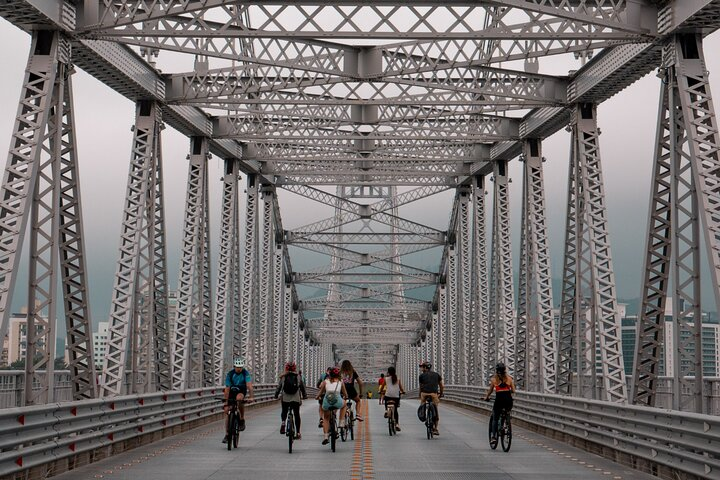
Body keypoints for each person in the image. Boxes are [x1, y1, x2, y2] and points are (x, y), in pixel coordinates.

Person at [222, 357, 254, 443]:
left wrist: (251, 396)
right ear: (234, 366)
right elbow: (227, 389)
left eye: (240, 367)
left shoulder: (245, 373)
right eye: (237, 367)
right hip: (232, 391)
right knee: (228, 413)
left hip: (241, 391)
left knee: (239, 399)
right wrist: (225, 403)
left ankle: (242, 418)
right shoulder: (230, 374)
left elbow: (249, 386)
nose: (239, 369)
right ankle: (227, 434)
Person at [483, 362, 515, 445]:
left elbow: (490, 391)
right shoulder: (509, 379)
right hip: (508, 401)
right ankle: (506, 422)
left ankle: (493, 436)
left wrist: (486, 397)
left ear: (496, 371)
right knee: (506, 412)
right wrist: (507, 391)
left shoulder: (494, 380)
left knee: (495, 418)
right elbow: (513, 391)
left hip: (499, 401)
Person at [315, 366, 348, 445]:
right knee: (344, 404)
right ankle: (341, 423)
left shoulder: (325, 381)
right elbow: (345, 394)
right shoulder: (341, 382)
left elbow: (321, 392)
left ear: (330, 374)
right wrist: (345, 397)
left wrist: (317, 397)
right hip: (337, 402)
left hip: (327, 402)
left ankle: (326, 436)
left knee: (326, 418)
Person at [274, 361, 307, 440]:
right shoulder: (298, 376)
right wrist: (305, 396)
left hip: (285, 397)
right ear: (295, 368)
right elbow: (302, 387)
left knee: (284, 411)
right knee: (296, 414)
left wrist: (276, 395)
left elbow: (279, 387)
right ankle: (298, 432)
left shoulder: (283, 377)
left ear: (286, 368)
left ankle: (283, 423)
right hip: (295, 398)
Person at [418, 361, 443, 436]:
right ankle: (435, 428)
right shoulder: (437, 375)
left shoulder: (421, 376)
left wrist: (420, 395)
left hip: (424, 394)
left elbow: (421, 387)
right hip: (433, 394)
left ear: (425, 368)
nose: (422, 369)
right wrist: (441, 394)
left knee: (422, 405)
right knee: (435, 409)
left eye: (422, 367)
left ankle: (423, 415)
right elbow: (442, 386)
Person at [383, 366, 405, 431]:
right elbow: (401, 388)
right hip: (396, 397)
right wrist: (403, 391)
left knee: (386, 398)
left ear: (388, 372)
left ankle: (386, 410)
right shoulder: (398, 379)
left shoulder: (386, 379)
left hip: (388, 396)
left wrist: (380, 391)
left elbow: (382, 387)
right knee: (395, 411)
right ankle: (397, 424)